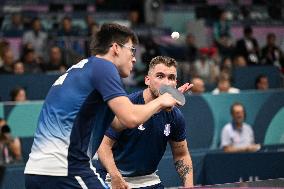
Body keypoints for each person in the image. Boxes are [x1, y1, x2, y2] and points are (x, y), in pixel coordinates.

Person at [24, 23, 184, 189]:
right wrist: (162, 100)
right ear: (115, 48)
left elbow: (117, 122)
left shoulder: (81, 69)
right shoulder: (104, 67)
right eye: (132, 50)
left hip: (36, 171)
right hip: (67, 169)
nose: (134, 58)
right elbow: (131, 118)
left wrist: (160, 106)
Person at [97, 56, 194, 189]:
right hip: (113, 177)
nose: (167, 82)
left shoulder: (175, 116)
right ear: (147, 80)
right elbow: (103, 146)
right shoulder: (127, 106)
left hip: (149, 179)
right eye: (160, 76)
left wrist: (189, 186)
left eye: (171, 78)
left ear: (175, 83)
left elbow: (181, 154)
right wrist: (115, 176)